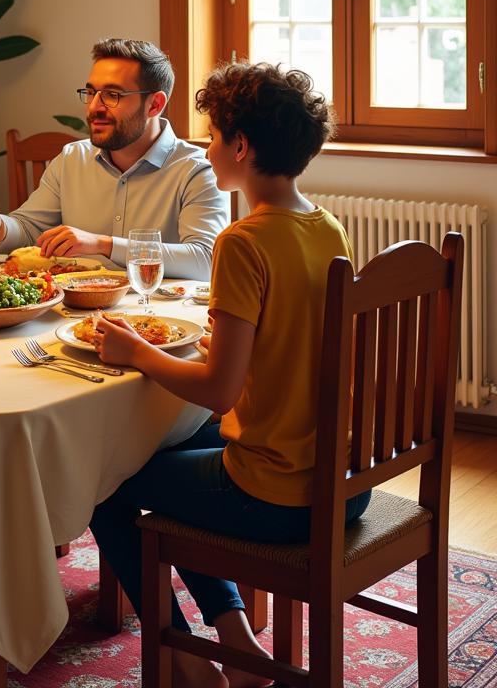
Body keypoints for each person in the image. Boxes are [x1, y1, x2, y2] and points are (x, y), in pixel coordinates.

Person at [88, 62, 370, 688]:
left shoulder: (242, 241)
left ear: (241, 147)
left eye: (212, 136)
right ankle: (237, 640)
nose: (205, 148)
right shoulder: (327, 227)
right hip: (345, 483)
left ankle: (185, 659)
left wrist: (137, 352)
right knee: (178, 445)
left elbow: (217, 389)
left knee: (107, 486)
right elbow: (290, 339)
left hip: (278, 497)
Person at [0, 38, 228, 279]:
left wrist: (104, 245)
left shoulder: (197, 170)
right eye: (91, 93)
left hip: (155, 324)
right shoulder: (71, 159)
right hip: (72, 317)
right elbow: (29, 230)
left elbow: (205, 259)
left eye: (113, 95)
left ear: (155, 104)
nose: (94, 107)